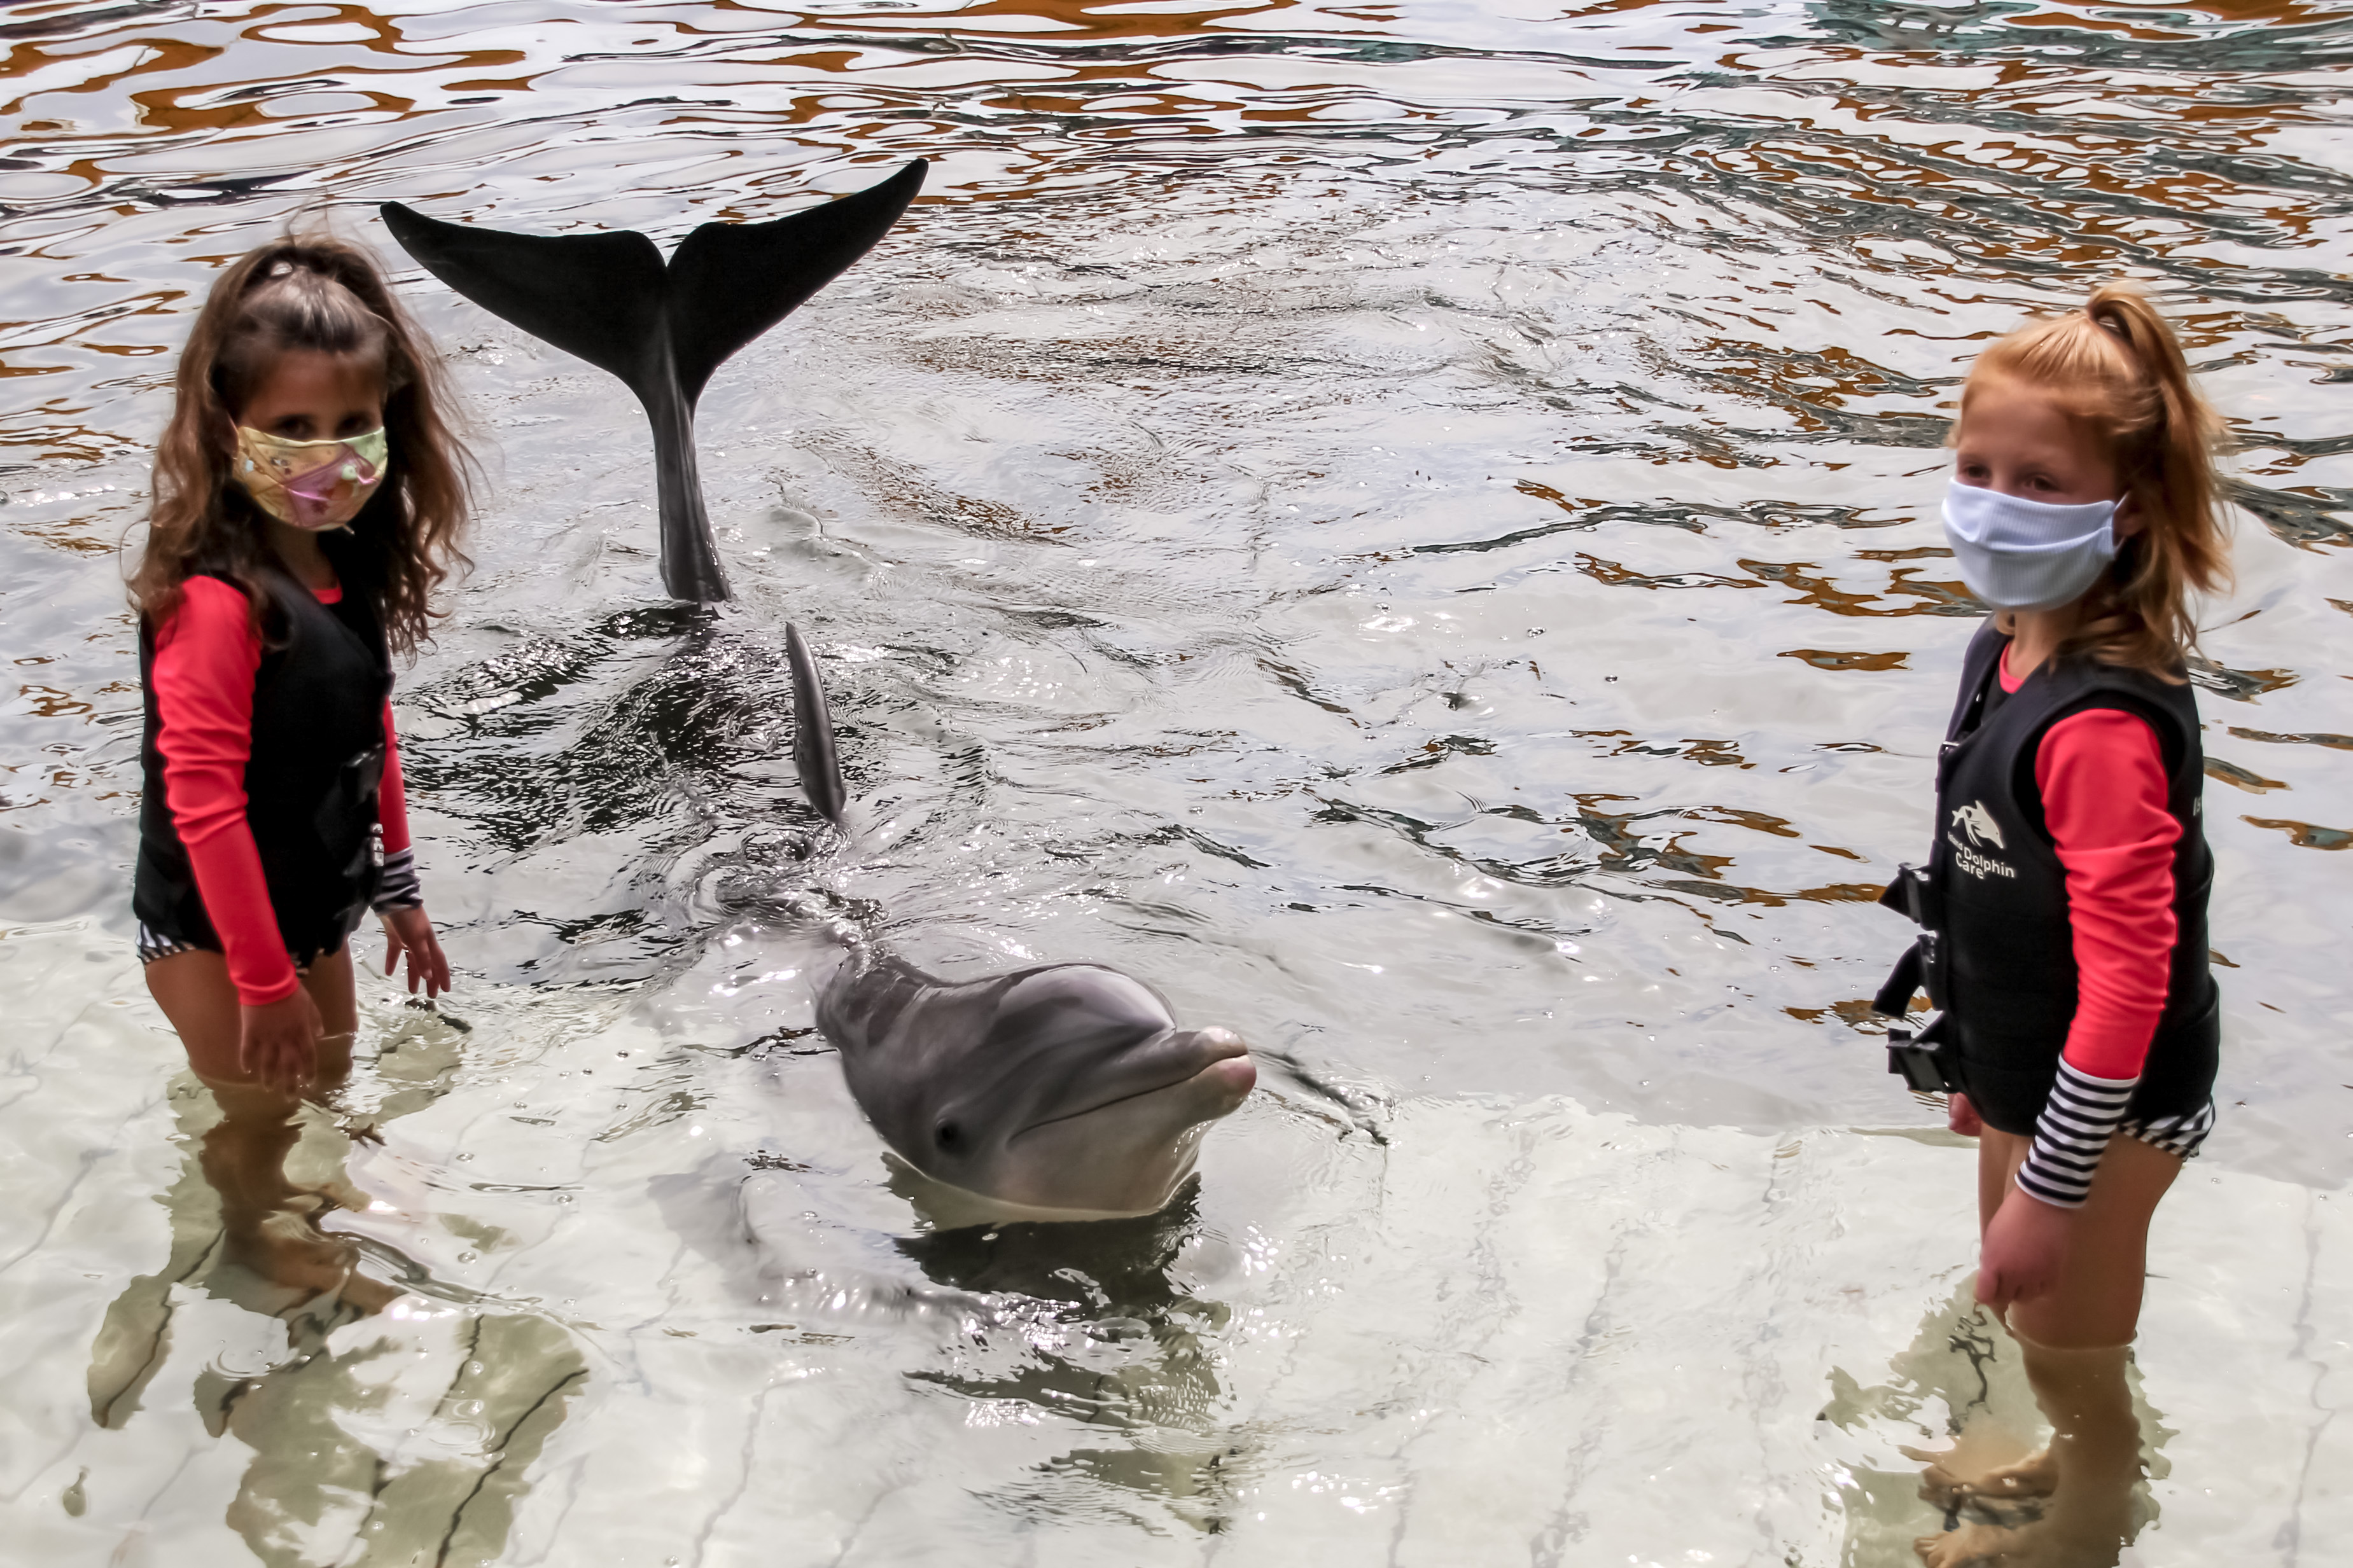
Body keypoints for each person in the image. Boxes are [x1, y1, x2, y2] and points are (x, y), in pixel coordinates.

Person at [1877, 281, 2228, 1566]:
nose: (1991, 501)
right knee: (2034, 1316)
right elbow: (1998, 898)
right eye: (1976, 467)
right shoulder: (2005, 647)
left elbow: (2130, 987)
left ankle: (2087, 1524)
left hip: (2114, 1102)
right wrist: (1978, 1073)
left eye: (2039, 481)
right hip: (2034, 1075)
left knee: (2071, 1345)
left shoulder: (2096, 727)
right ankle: (2060, 1460)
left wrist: (2052, 1186)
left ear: (2121, 507)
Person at [129, 233, 471, 1315]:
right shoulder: (218, 603)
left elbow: (371, 733)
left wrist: (401, 891)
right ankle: (253, 1240)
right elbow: (202, 802)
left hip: (309, 908)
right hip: (213, 932)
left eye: (346, 428)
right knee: (257, 1110)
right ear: (228, 428)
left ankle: (315, 1204)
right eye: (289, 431)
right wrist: (263, 978)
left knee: (325, 1072)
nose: (325, 460)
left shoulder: (337, 567)